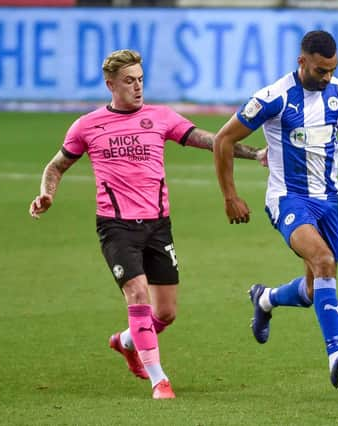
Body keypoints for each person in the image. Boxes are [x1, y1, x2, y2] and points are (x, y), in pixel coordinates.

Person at [29, 49, 266, 400]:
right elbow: (55, 166)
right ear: (110, 85)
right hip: (116, 226)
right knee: (137, 294)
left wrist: (255, 153)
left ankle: (126, 341)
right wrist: (46, 193)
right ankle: (160, 380)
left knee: (166, 313)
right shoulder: (87, 125)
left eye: (140, 80)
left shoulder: (161, 117)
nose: (137, 87)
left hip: (158, 225)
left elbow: (210, 140)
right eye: (129, 81)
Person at [213, 30, 338, 389]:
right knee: (324, 262)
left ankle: (266, 298)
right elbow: (223, 139)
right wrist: (230, 196)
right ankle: (335, 355)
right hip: (287, 199)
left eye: (332, 70)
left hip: (328, 203)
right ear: (301, 62)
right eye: (321, 70)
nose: (327, 77)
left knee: (312, 287)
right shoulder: (274, 97)